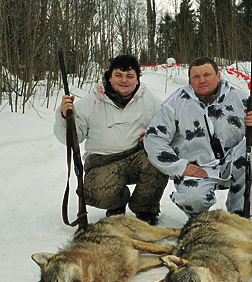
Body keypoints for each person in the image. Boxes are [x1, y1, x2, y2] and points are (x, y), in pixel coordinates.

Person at [143, 56, 252, 218]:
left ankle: (240, 213)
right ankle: (198, 217)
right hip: (196, 168)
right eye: (196, 77)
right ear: (190, 80)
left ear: (218, 75)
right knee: (193, 200)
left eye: (207, 75)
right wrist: (179, 166)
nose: (202, 80)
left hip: (231, 162)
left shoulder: (239, 98)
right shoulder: (175, 103)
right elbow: (153, 139)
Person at [54, 54, 168, 225]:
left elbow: (170, 124)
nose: (124, 80)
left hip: (137, 158)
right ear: (109, 77)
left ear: (137, 80)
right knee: (93, 194)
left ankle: (145, 207)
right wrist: (65, 116)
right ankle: (117, 204)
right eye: (119, 75)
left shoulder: (149, 99)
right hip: (103, 163)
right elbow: (71, 139)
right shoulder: (91, 102)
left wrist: (158, 135)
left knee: (161, 158)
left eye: (130, 76)